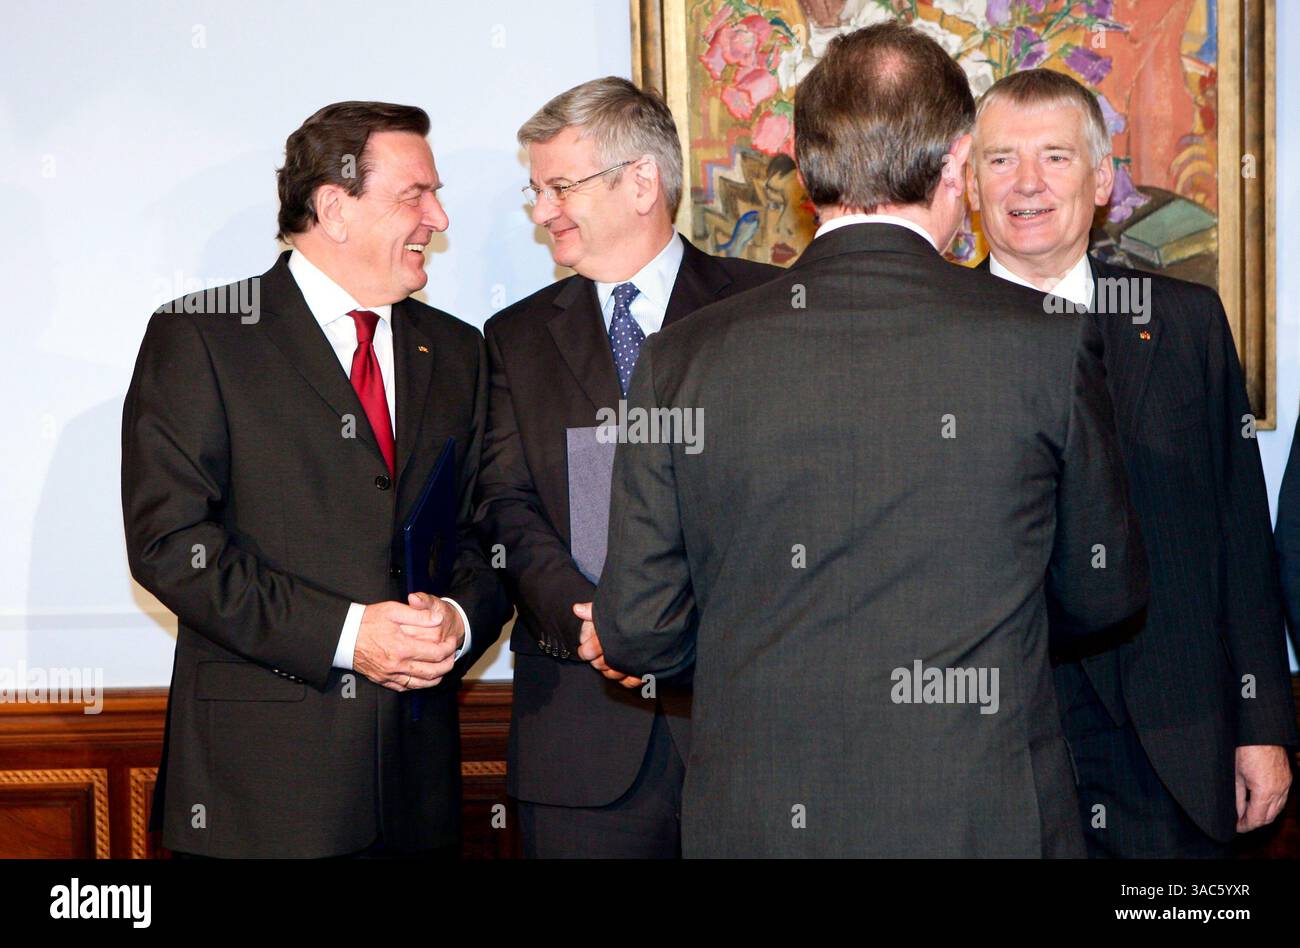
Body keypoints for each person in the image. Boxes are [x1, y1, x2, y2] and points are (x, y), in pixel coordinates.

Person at [592, 23, 1149, 858]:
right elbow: (1102, 591)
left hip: (759, 816)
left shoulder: (683, 355)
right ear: (958, 162)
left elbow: (638, 629)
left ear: (805, 167)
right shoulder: (1049, 341)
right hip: (978, 810)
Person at [122, 101, 511, 858]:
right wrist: (347, 635)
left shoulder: (458, 351)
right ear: (334, 207)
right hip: (260, 798)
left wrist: (458, 621)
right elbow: (172, 546)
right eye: (415, 195)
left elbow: (487, 531)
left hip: (417, 792)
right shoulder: (202, 336)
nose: (438, 216)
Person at [969, 68, 1296, 857]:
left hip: (1175, 745)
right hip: (998, 749)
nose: (1026, 184)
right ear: (969, 184)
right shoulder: (930, 339)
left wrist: (1261, 726)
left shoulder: (1185, 324)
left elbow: (1240, 534)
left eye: (1053, 156)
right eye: (1000, 160)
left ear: (1103, 179)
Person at [475, 77, 778, 857]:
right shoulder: (513, 338)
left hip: (748, 726)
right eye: (536, 190)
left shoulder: (768, 308)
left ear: (641, 181)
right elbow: (506, 505)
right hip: (581, 744)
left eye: (560, 187)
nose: (543, 211)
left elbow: (796, 501)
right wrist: (597, 620)